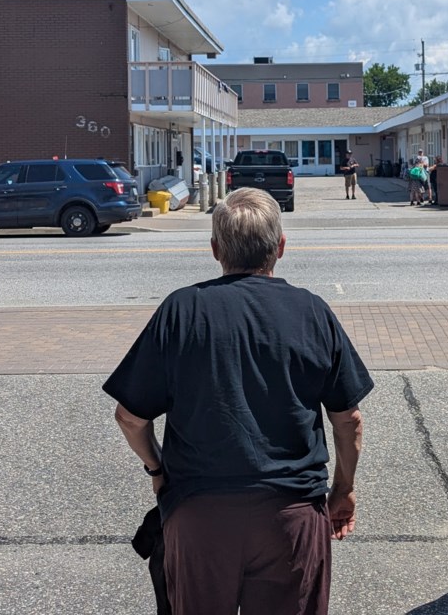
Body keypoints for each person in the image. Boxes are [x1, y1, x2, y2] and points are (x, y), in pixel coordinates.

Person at [104, 187, 374, 615]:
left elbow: (129, 417)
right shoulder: (312, 312)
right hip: (291, 514)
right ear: (281, 247)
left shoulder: (181, 311)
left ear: (215, 250)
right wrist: (344, 490)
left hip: (199, 514)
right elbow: (349, 420)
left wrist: (158, 469)